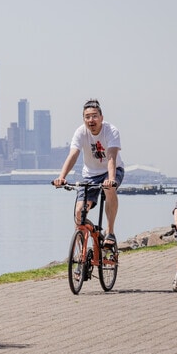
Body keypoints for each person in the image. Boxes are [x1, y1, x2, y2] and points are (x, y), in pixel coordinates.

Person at [53, 99, 125, 247]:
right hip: (90, 174)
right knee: (79, 211)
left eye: (94, 116)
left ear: (101, 118)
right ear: (83, 119)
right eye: (87, 117)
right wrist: (62, 177)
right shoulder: (80, 132)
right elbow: (73, 155)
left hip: (112, 170)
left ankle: (110, 232)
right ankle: (81, 256)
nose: (91, 120)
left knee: (108, 188)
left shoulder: (111, 131)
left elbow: (111, 156)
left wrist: (111, 179)